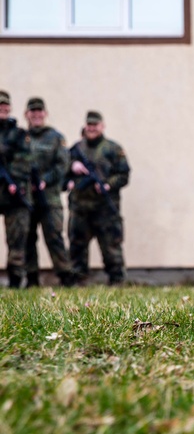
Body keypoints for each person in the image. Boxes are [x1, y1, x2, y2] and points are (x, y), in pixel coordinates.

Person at [66, 111, 130, 285]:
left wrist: (108, 184)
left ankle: (117, 281)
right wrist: (72, 167)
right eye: (89, 125)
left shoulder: (113, 149)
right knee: (77, 247)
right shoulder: (76, 149)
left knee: (111, 247)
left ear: (102, 126)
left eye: (95, 125)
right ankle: (77, 281)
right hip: (80, 208)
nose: (92, 128)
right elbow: (62, 173)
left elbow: (124, 174)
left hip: (105, 209)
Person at [23, 97, 73, 288]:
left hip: (49, 198)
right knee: (28, 237)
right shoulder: (21, 137)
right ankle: (31, 278)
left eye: (39, 111)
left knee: (54, 236)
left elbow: (62, 165)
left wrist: (45, 180)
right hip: (27, 197)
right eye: (32, 111)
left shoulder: (55, 138)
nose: (36, 114)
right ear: (27, 114)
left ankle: (65, 276)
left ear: (45, 113)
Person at [0, 91, 32, 289]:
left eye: (5, 106)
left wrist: (15, 181)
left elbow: (25, 162)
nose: (2, 109)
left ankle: (15, 281)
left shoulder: (19, 134)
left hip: (14, 194)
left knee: (17, 240)